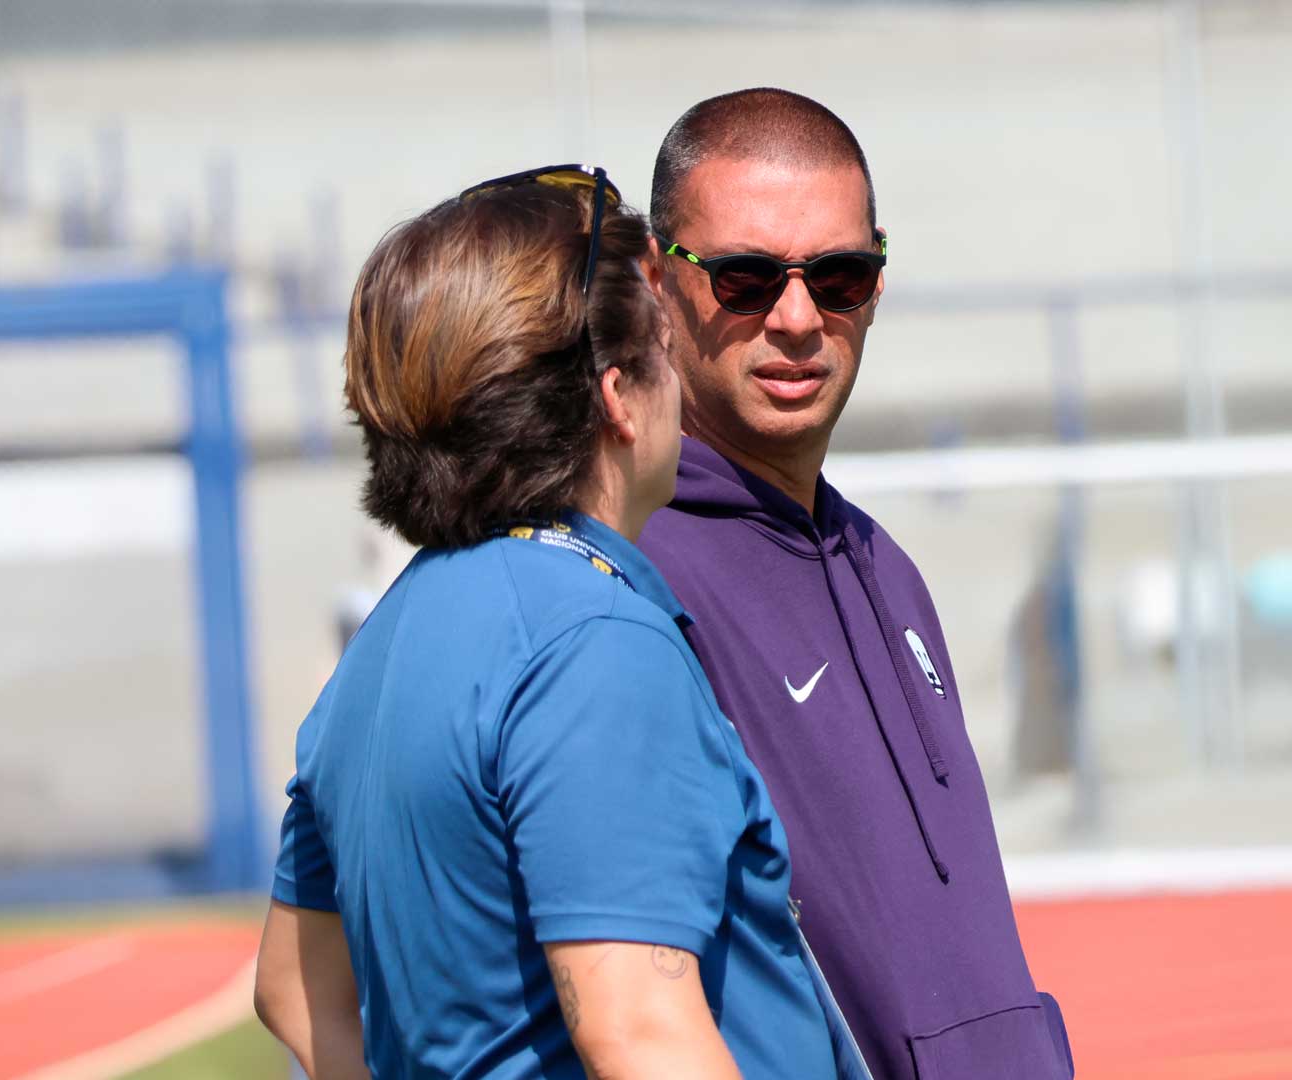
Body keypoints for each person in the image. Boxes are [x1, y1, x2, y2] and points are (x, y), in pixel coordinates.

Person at [252, 166, 853, 1080]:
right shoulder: (591, 643)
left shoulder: (390, 636)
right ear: (616, 394)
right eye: (661, 341)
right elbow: (639, 1032)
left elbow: (292, 989)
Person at [638, 88, 1076, 1078]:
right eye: (745, 279)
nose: (798, 319)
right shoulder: (630, 585)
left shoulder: (890, 569)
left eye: (838, 275)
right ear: (657, 284)